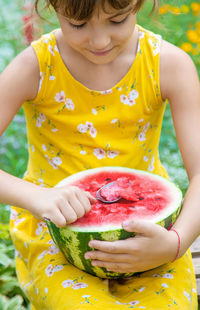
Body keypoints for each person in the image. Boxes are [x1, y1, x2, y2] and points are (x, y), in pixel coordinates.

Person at [0, 0, 200, 308]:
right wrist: (35, 196)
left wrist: (175, 244)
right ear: (54, 7)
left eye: (117, 21)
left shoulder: (168, 65)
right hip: (55, 235)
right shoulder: (36, 68)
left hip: (152, 235)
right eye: (78, 25)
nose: (100, 41)